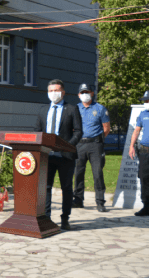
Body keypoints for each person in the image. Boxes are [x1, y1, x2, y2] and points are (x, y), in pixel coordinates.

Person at [33, 79, 83, 230]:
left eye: (56, 90)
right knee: (46, 187)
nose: (53, 93)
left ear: (63, 92)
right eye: (50, 91)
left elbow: (79, 131)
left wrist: (68, 146)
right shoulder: (42, 110)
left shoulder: (71, 109)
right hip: (46, 155)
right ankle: (46, 217)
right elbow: (37, 131)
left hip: (65, 156)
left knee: (66, 188)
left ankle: (65, 218)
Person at [73, 83, 110, 212]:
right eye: (82, 92)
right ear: (78, 95)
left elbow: (106, 128)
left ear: (92, 93)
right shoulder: (75, 108)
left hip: (95, 145)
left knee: (97, 173)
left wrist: (97, 140)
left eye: (87, 92)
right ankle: (78, 200)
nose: (85, 95)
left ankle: (100, 202)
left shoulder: (100, 108)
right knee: (78, 173)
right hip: (79, 144)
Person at [128, 89, 149, 217]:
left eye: (147, 100)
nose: (145, 103)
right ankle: (147, 207)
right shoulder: (143, 113)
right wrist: (131, 146)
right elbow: (136, 131)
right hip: (144, 152)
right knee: (144, 179)